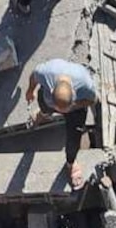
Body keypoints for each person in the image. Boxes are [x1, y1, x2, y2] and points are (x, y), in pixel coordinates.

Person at [25, 54, 103, 185]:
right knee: (44, 105)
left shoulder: (85, 84)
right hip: (50, 101)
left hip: (76, 108)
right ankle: (42, 115)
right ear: (52, 88)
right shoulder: (46, 72)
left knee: (74, 138)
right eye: (60, 109)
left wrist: (75, 106)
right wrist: (30, 91)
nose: (62, 112)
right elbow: (34, 75)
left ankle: (71, 163)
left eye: (63, 110)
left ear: (74, 92)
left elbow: (93, 100)